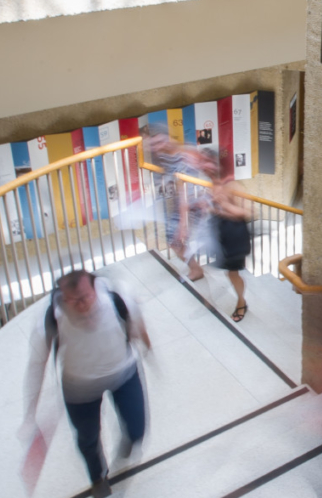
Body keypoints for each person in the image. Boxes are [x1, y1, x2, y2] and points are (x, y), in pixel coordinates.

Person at [20, 271, 151, 498]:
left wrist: (148, 347)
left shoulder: (116, 296)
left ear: (94, 289)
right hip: (79, 389)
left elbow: (136, 322)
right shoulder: (51, 316)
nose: (81, 306)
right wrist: (30, 414)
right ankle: (97, 477)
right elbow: (36, 366)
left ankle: (130, 438)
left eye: (86, 298)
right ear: (63, 297)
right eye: (73, 300)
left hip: (123, 373)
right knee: (88, 438)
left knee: (137, 427)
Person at [144, 122, 208, 281]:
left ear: (167, 137)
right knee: (173, 239)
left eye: (159, 142)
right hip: (184, 203)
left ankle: (196, 268)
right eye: (152, 146)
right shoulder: (165, 155)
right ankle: (195, 267)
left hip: (193, 204)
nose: (156, 148)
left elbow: (184, 192)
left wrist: (183, 224)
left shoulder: (183, 155)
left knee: (175, 238)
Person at [209, 166, 254, 322]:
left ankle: (241, 302)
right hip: (222, 234)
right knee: (230, 272)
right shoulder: (212, 185)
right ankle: (241, 300)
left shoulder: (235, 186)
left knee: (232, 272)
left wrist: (225, 205)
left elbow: (248, 212)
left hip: (235, 235)